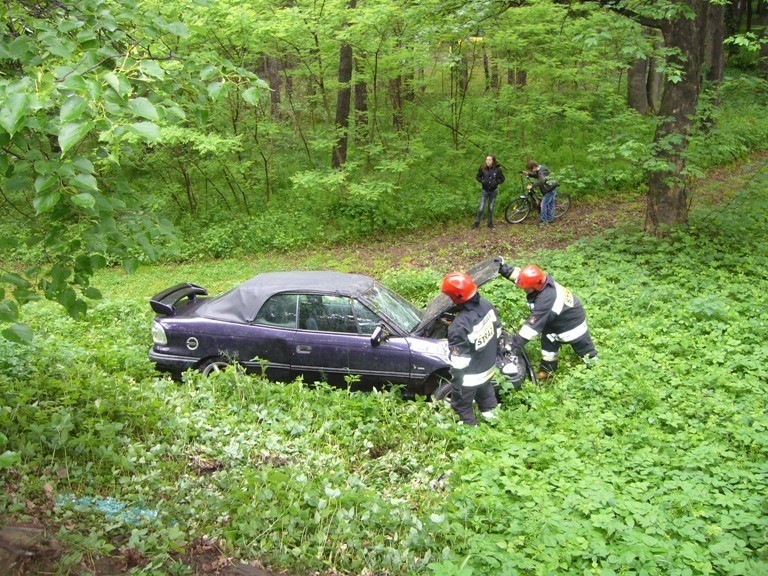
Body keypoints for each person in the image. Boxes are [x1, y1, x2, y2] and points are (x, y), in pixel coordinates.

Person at [498, 261, 597, 379]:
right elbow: (520, 277)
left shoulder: (545, 299)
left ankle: (596, 369)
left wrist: (511, 345)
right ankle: (547, 371)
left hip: (572, 323)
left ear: (535, 287)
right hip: (552, 323)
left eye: (526, 288)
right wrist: (502, 268)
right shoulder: (538, 281)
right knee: (548, 349)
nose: (524, 290)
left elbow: (530, 328)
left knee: (584, 348)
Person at [440, 272, 502, 425]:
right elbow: (497, 331)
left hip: (469, 378)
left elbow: (459, 362)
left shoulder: (459, 326)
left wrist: (456, 386)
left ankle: (471, 436)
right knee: (487, 400)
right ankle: (497, 426)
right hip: (488, 368)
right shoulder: (486, 305)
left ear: (456, 297)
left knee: (461, 408)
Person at [472, 154, 505, 229]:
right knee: (481, 208)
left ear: (493, 161)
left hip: (494, 191)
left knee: (490, 208)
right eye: (486, 159)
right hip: (485, 191)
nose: (487, 161)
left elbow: (502, 179)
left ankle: (490, 223)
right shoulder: (482, 168)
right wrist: (482, 181)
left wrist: (496, 182)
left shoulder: (498, 169)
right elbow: (478, 176)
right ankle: (476, 223)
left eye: (489, 160)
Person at [521, 160, 559, 225]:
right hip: (552, 186)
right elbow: (538, 175)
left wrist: (532, 186)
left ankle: (544, 221)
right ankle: (550, 219)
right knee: (551, 203)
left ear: (534, 167)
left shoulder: (541, 171)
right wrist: (528, 174)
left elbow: (542, 181)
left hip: (549, 189)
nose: (531, 171)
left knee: (543, 205)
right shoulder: (541, 168)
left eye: (530, 169)